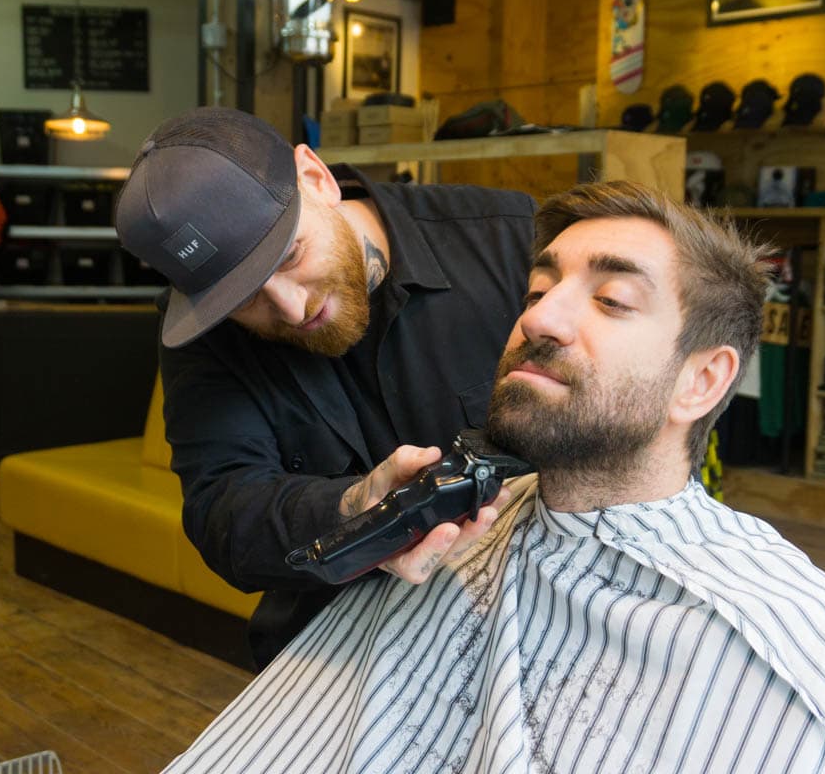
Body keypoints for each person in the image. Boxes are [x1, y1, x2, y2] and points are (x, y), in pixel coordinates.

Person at [160, 181, 825, 774]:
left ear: (703, 382)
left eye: (611, 300)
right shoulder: (474, 527)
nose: (537, 317)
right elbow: (224, 504)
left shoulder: (788, 656)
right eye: (537, 291)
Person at [114, 107, 535, 667]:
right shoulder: (204, 336)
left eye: (290, 255)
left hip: (531, 611)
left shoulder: (509, 241)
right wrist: (356, 508)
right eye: (242, 297)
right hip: (341, 645)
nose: (290, 308)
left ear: (317, 177)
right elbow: (223, 512)